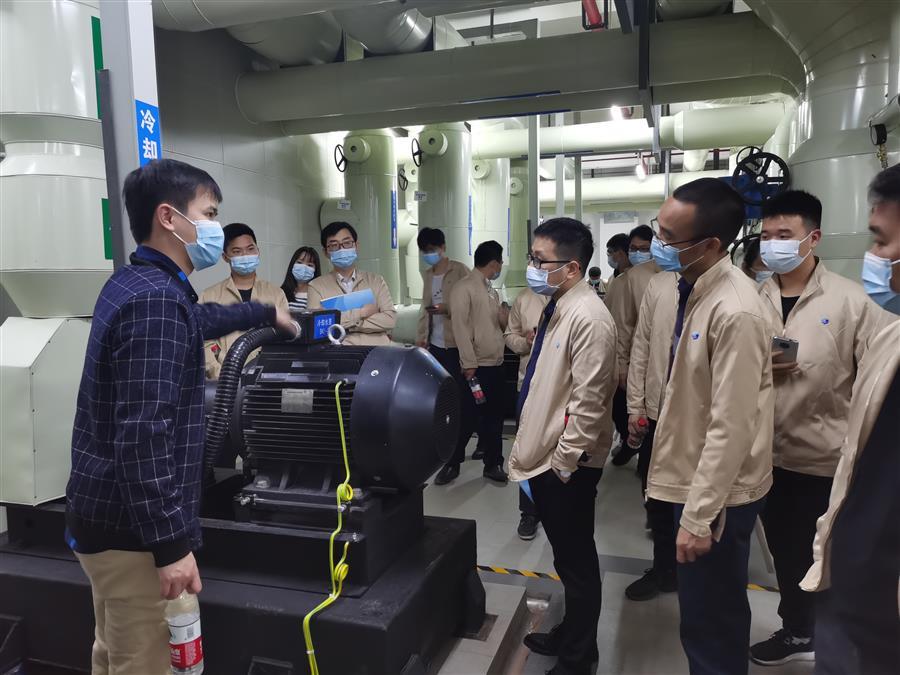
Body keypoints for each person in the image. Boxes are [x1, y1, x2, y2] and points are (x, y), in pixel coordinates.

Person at [64, 159, 298, 674]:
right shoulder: (155, 300)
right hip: (132, 536)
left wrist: (263, 312)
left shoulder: (137, 282)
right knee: (144, 662)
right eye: (209, 214)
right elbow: (143, 436)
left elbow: (193, 318)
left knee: (113, 649)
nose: (216, 227)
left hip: (103, 519)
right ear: (169, 218)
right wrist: (170, 547)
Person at [749, 190, 888, 666]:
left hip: (824, 457)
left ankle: (828, 638)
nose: (773, 245)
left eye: (784, 235)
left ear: (813, 238)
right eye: (766, 235)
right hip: (763, 454)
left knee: (825, 556)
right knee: (784, 552)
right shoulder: (753, 298)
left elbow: (875, 382)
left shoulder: (853, 301)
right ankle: (797, 630)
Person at [646, 178, 773, 675]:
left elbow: (731, 424)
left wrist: (698, 517)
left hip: (717, 495)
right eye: (658, 228)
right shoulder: (697, 289)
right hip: (697, 479)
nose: (657, 242)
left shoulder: (734, 309)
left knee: (710, 620)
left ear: (710, 245)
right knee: (708, 611)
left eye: (668, 236)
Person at [801, 164, 900, 675]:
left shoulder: (855, 305)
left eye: (882, 240)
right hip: (854, 587)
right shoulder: (894, 337)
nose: (876, 256)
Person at [511, 218, 617, 675]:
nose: (532, 267)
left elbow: (590, 402)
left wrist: (564, 463)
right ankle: (572, 634)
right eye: (531, 257)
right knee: (567, 557)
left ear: (571, 268)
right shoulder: (559, 305)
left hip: (566, 464)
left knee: (577, 564)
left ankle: (579, 658)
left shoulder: (589, 317)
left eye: (540, 260)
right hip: (550, 455)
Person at [623, 269, 679, 601]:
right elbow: (641, 345)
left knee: (692, 503)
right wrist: (636, 406)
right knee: (655, 496)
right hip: (658, 413)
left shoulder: (734, 291)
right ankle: (664, 570)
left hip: (701, 421)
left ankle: (690, 572)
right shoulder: (660, 284)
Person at [435, 240, 509, 485]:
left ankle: (493, 463)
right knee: (467, 417)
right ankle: (452, 463)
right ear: (494, 263)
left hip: (496, 363)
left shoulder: (492, 290)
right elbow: (460, 328)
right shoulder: (464, 288)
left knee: (494, 418)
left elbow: (494, 326)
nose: (501, 267)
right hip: (475, 367)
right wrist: (468, 363)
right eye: (500, 262)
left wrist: (504, 319)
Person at [414, 226, 473, 462]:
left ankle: (457, 453)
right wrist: (421, 338)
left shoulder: (460, 271)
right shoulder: (428, 275)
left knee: (460, 399)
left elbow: (470, 305)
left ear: (443, 247)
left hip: (456, 345)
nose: (429, 254)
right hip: (434, 345)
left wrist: (446, 308)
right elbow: (423, 309)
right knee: (441, 399)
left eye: (432, 249)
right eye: (425, 251)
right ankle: (445, 449)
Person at [199, 223, 289, 379]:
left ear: (258, 251)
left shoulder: (276, 294)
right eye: (237, 251)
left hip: (266, 379)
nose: (245, 255)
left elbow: (285, 338)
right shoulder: (209, 295)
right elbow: (204, 343)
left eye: (250, 249)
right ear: (225, 257)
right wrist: (221, 374)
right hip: (223, 379)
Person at [608, 224, 661, 466]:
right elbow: (622, 325)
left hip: (664, 363)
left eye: (644, 248)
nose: (638, 253)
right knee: (629, 410)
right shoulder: (630, 279)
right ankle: (633, 446)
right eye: (634, 248)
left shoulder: (672, 274)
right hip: (635, 360)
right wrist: (622, 364)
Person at [504, 285, 550, 540]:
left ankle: (557, 507)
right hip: (529, 384)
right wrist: (526, 341)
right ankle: (529, 512)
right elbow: (509, 335)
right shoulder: (525, 298)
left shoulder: (579, 301)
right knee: (526, 449)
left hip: (563, 387)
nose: (537, 268)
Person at [307, 221, 396, 346]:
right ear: (326, 252)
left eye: (347, 243)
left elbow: (390, 320)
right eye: (334, 245)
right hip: (341, 352)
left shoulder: (376, 281)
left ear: (356, 246)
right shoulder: (316, 286)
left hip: (378, 350)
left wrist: (347, 324)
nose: (342, 249)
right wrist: (361, 313)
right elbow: (317, 326)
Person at [280, 246, 321, 312]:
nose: (304, 267)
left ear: (315, 270)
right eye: (299, 262)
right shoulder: (280, 293)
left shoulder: (318, 295)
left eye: (310, 265)